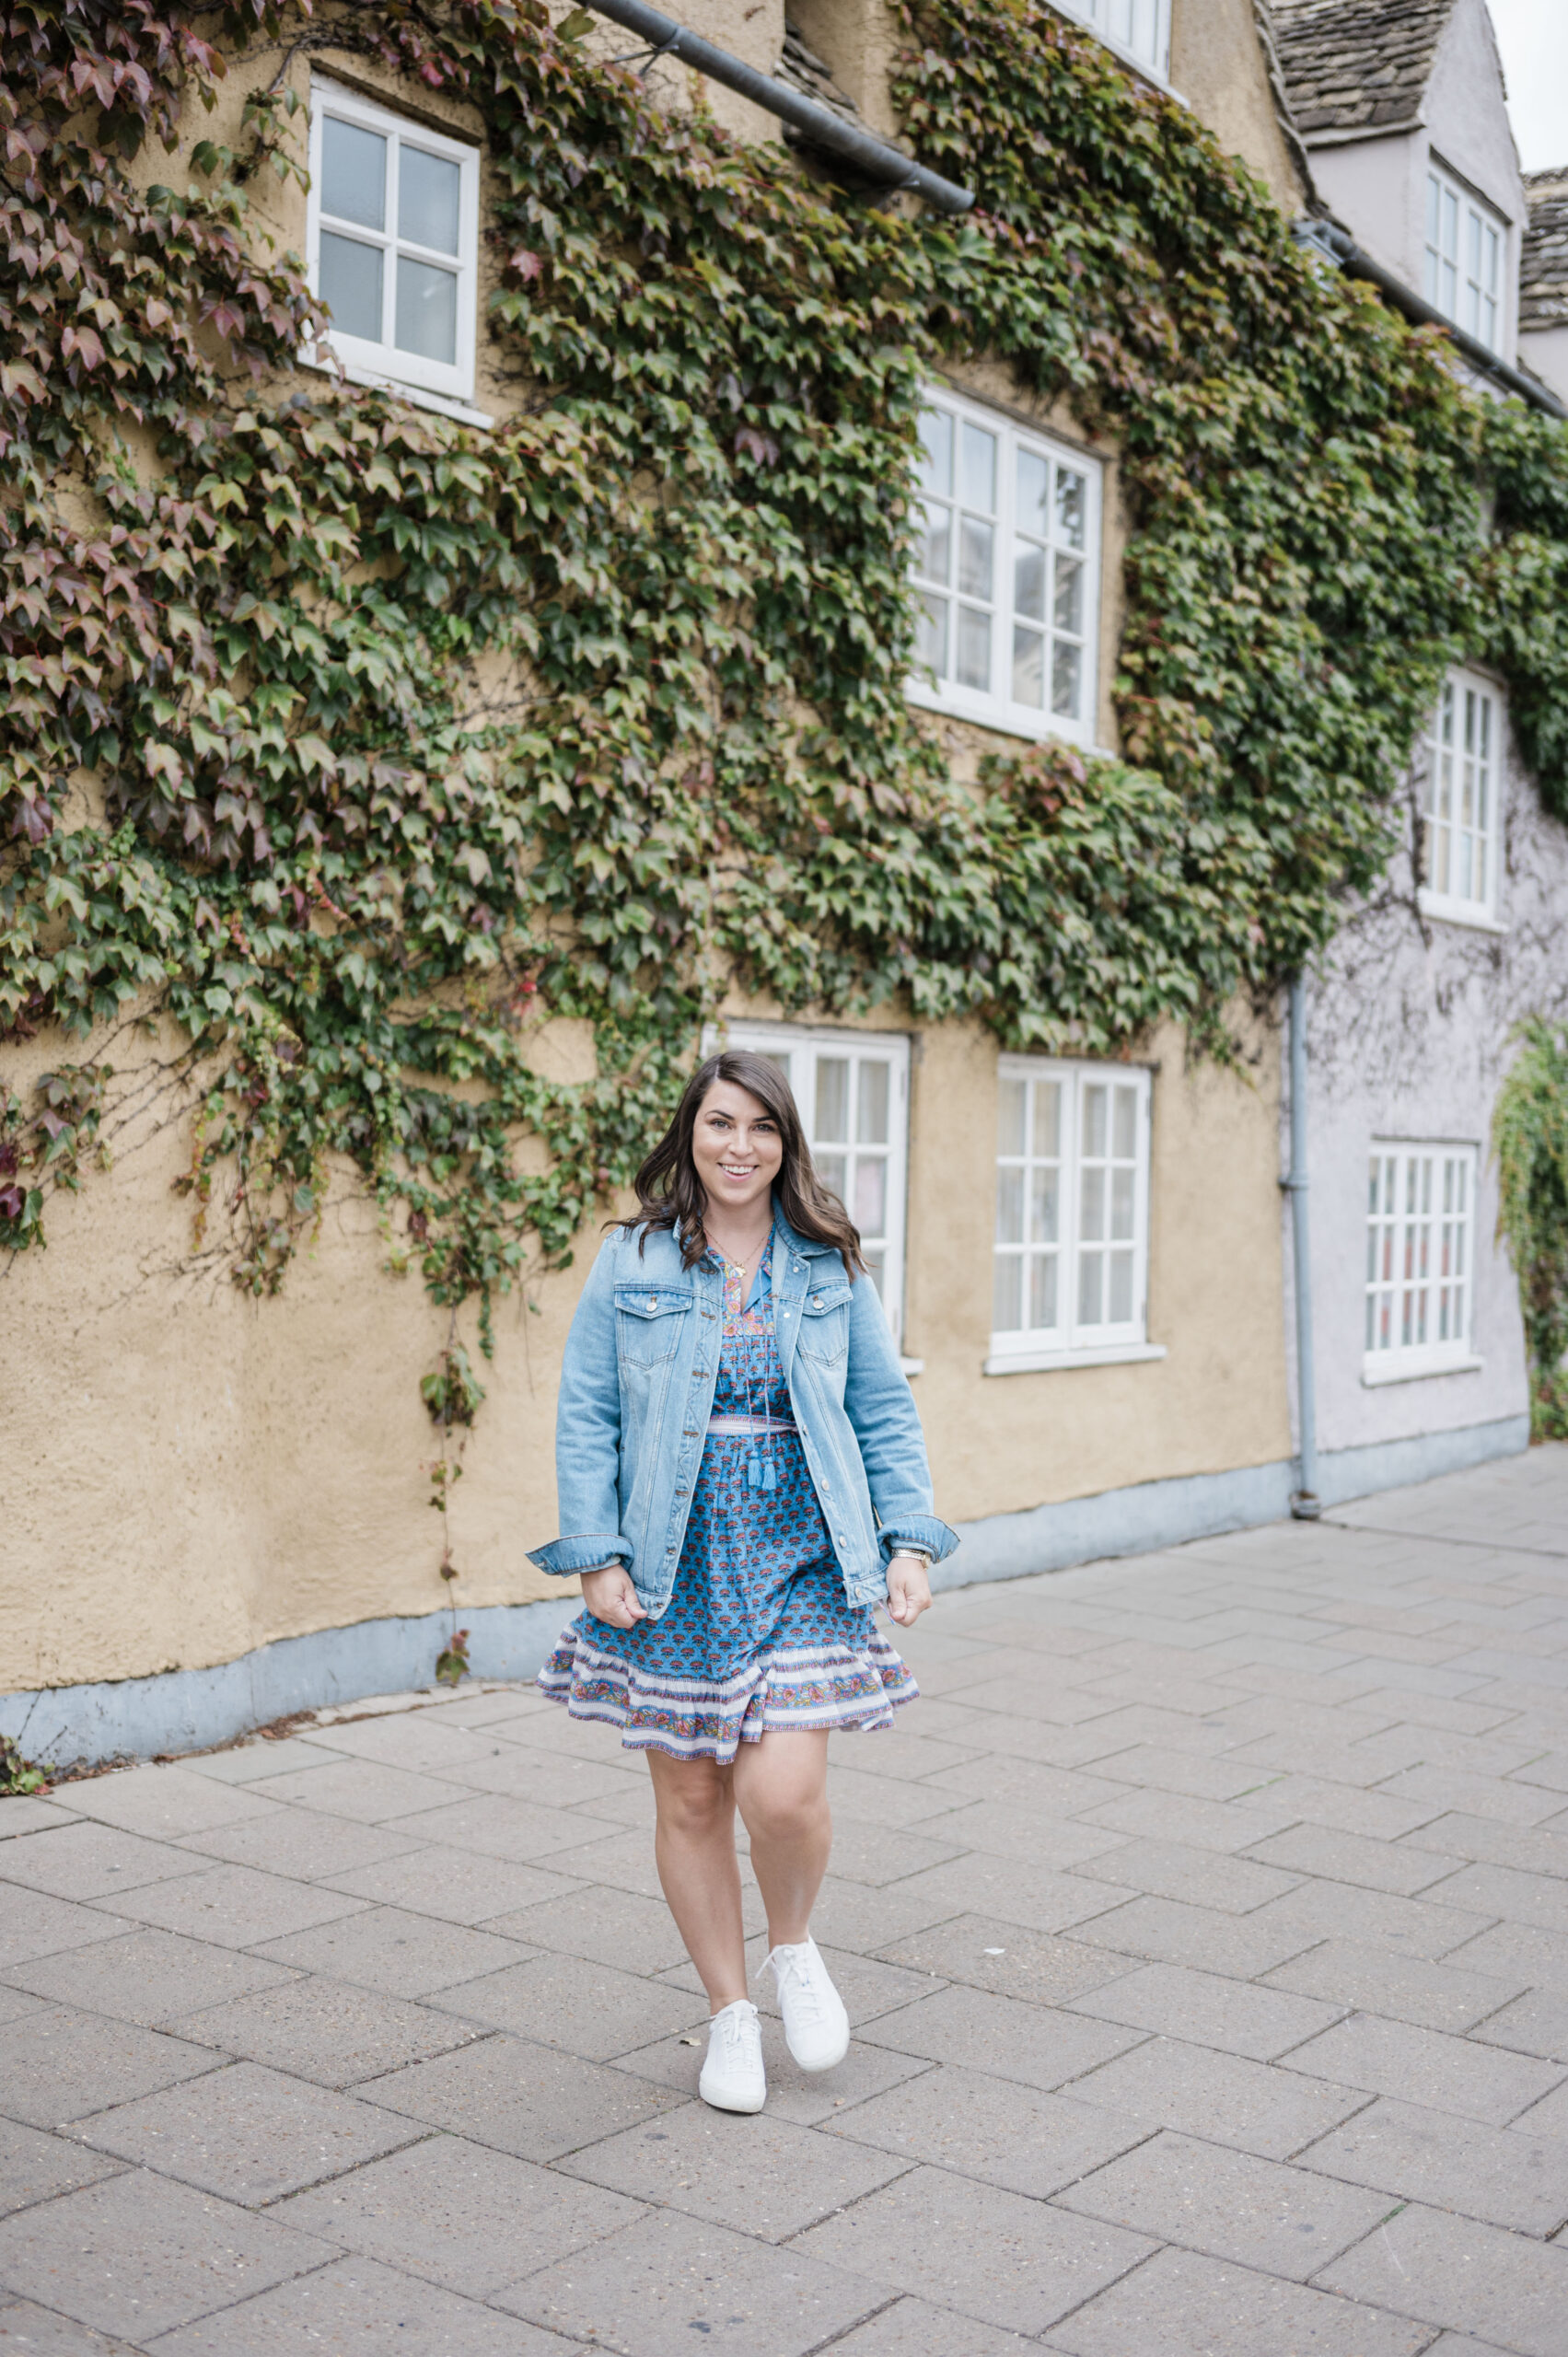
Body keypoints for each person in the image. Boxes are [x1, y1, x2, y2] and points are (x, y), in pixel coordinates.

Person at [529, 1048, 956, 2113]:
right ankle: (728, 2013)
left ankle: (793, 1946)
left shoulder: (824, 1262)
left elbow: (881, 1407)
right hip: (673, 1557)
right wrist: (595, 1554)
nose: (739, 1146)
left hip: (802, 1547)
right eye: (720, 1123)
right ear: (690, 1133)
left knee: (782, 1792)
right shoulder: (631, 1260)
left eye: (761, 1128)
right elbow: (585, 1413)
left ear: (784, 1144)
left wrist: (907, 1539)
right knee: (688, 1796)